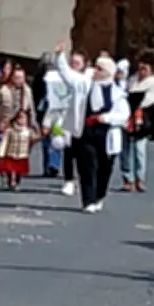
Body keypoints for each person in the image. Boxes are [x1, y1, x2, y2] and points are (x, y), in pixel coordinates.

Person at [53, 42, 129, 213]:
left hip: (106, 135)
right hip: (86, 133)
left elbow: (124, 115)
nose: (95, 70)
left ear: (108, 72)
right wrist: (59, 57)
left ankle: (99, 196)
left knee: (104, 169)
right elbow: (67, 75)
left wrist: (106, 118)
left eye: (99, 69)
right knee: (87, 167)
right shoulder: (84, 84)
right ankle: (88, 200)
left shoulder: (117, 93)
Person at [120, 48, 154, 192]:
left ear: (151, 68)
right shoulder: (132, 79)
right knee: (125, 149)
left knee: (139, 150)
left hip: (142, 118)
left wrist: (135, 106)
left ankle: (140, 178)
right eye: (140, 67)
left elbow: (148, 101)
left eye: (145, 68)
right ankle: (127, 178)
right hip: (127, 115)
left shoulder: (153, 83)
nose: (141, 71)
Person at [0, 65, 36, 176]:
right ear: (12, 78)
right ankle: (6, 173)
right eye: (17, 78)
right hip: (4, 126)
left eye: (21, 78)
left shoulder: (27, 91)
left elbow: (31, 109)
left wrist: (33, 125)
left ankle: (16, 175)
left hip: (21, 126)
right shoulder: (2, 90)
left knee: (20, 154)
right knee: (6, 153)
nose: (19, 80)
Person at [60, 50, 89, 197]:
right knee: (68, 150)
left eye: (77, 63)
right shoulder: (64, 78)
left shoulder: (86, 81)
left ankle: (80, 179)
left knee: (82, 153)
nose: (74, 66)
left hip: (83, 121)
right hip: (66, 119)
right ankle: (69, 180)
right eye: (72, 63)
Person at [32, 52, 62, 177]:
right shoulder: (39, 79)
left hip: (57, 114)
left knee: (57, 138)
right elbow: (35, 95)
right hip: (43, 112)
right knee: (45, 140)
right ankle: (48, 165)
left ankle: (53, 165)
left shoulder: (60, 78)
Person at [0, 110, 38, 190]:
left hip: (22, 154)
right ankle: (10, 181)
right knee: (9, 169)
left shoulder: (28, 131)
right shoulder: (10, 130)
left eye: (24, 118)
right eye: (20, 118)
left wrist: (40, 134)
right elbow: (4, 142)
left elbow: (34, 139)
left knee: (19, 170)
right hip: (10, 153)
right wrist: (1, 153)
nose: (21, 120)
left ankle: (17, 182)